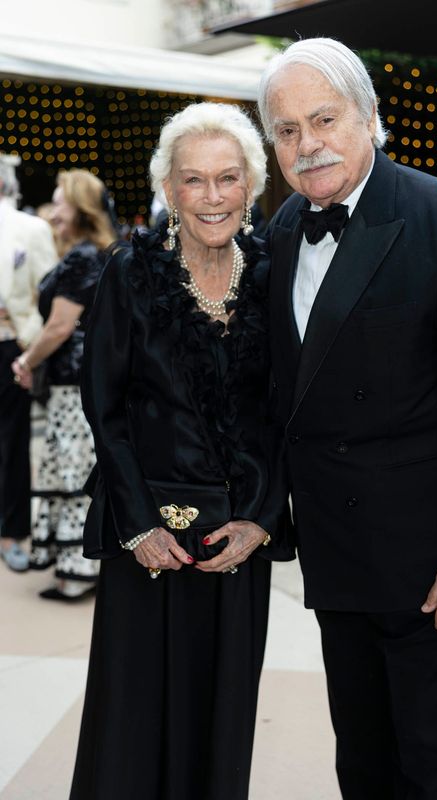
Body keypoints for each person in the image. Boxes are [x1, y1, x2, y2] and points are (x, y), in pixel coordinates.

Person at [258, 37, 437, 800]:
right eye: (287, 130)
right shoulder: (284, 227)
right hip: (335, 558)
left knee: (431, 767)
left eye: (324, 119)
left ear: (369, 115)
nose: (307, 145)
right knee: (363, 761)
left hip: (428, 572)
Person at [69, 102, 293, 800]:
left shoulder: (274, 273)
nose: (212, 196)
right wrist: (139, 526)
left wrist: (262, 519)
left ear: (251, 185)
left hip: (238, 541)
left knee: (220, 720)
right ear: (168, 188)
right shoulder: (129, 273)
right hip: (150, 540)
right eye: (193, 180)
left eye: (228, 177)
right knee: (134, 724)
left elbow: (286, 414)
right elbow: (105, 410)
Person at [12, 168, 115, 600]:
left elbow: (58, 327)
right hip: (83, 379)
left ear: (79, 207)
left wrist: (26, 360)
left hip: (72, 383)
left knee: (73, 474)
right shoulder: (100, 252)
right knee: (78, 471)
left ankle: (76, 573)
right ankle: (79, 567)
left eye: (59, 204)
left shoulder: (82, 257)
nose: (53, 214)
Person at [0, 153, 57, 572]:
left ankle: (12, 532)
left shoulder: (30, 228)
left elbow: (49, 291)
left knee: (13, 443)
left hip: (10, 348)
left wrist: (29, 346)